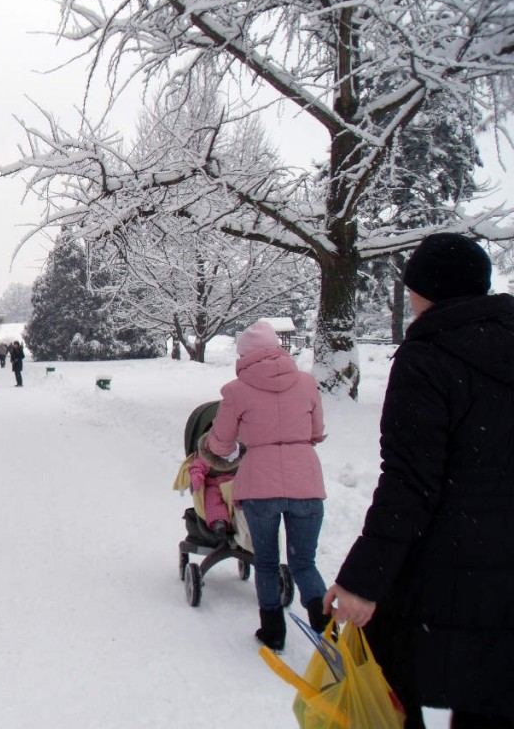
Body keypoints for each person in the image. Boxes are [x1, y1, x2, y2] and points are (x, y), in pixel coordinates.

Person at [325, 233, 514, 729]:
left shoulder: (428, 357)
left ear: (426, 290)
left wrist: (363, 581)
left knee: (389, 692)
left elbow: (410, 483)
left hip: (443, 572)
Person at [202, 320, 329, 651]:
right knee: (304, 562)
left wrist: (217, 449)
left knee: (268, 561)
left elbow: (220, 445)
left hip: (260, 485)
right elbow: (317, 431)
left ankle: (273, 631)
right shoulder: (306, 383)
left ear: (244, 355)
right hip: (306, 482)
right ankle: (325, 626)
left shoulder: (236, 390)